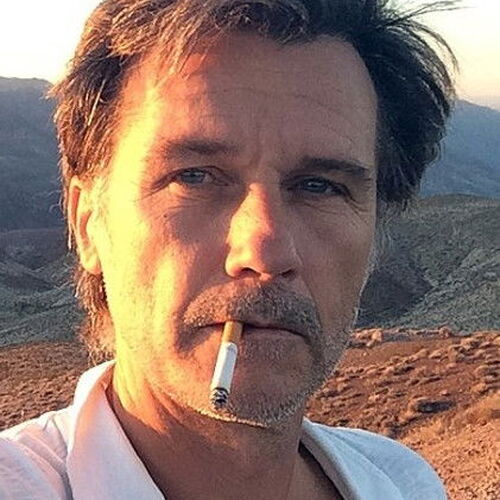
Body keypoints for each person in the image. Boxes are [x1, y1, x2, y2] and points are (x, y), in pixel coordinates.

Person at [0, 0, 457, 498]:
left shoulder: (401, 482)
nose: (264, 251)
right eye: (194, 177)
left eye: (321, 186)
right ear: (89, 223)